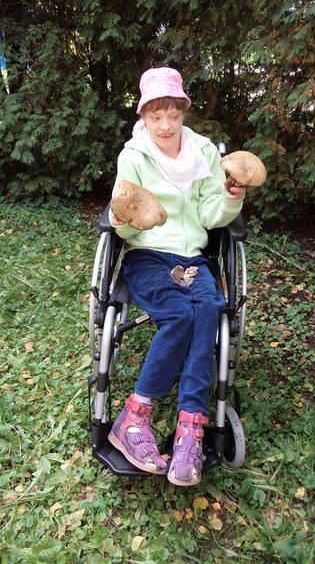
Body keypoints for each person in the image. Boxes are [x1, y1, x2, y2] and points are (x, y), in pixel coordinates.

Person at [107, 67, 245, 486]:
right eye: (155, 116)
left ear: (184, 111)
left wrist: (229, 197)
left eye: (173, 114)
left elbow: (209, 215)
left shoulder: (203, 152)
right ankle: (133, 418)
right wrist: (123, 219)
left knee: (208, 307)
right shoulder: (133, 156)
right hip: (146, 254)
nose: (165, 125)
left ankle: (190, 427)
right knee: (180, 314)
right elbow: (122, 217)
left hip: (191, 257)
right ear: (144, 116)